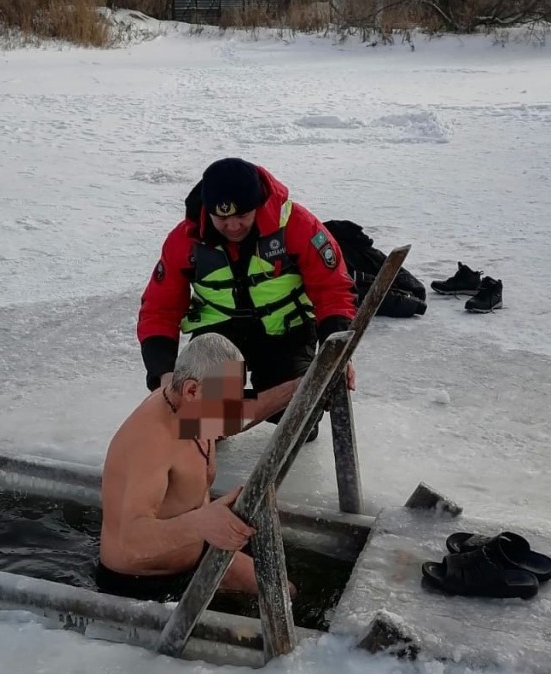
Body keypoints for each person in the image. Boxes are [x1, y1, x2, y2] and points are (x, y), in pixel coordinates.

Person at [136, 157, 357, 442]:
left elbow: (334, 290)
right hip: (218, 340)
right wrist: (164, 375)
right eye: (222, 218)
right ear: (207, 211)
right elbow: (158, 310)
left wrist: (337, 353)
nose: (233, 226)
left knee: (301, 423)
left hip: (285, 333)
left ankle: (277, 396)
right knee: (201, 426)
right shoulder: (184, 240)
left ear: (258, 204)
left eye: (242, 215)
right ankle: (220, 410)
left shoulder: (297, 225)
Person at [96, 333, 300, 602]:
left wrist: (298, 388)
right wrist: (199, 524)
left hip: (193, 551)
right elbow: (129, 541)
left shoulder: (189, 407)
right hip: (139, 583)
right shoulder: (151, 440)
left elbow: (238, 415)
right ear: (192, 390)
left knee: (285, 593)